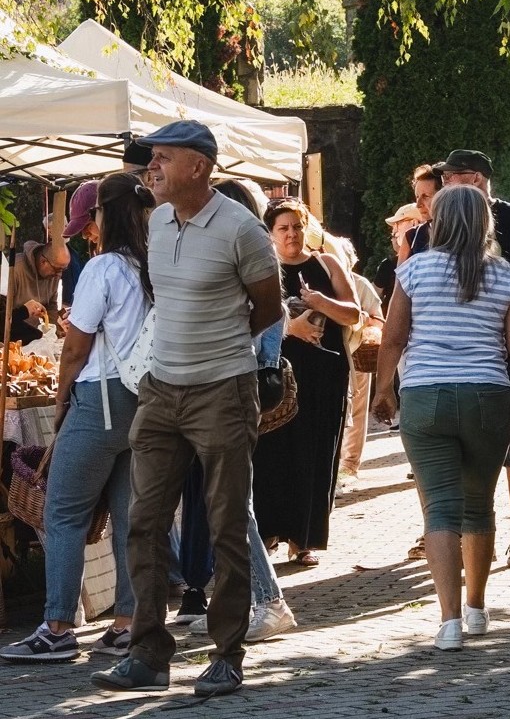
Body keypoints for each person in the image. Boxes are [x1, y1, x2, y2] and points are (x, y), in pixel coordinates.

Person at [92, 120, 282, 698]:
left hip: (222, 390)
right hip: (161, 390)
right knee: (144, 522)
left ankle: (227, 655)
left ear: (198, 167)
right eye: (151, 158)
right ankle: (148, 655)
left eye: (162, 158)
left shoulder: (242, 229)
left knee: (226, 524)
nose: (150, 168)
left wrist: (219, 347)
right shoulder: (156, 220)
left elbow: (269, 308)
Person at [371, 184, 510, 651]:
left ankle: (448, 622)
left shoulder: (414, 271)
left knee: (440, 508)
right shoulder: (505, 275)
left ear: (438, 223)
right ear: (486, 222)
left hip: (426, 394)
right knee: (479, 505)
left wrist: (384, 390)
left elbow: (394, 337)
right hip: (487, 395)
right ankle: (477, 608)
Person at [0, 173, 153, 663]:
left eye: (91, 221)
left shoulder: (103, 267)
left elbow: (75, 349)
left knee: (61, 512)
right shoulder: (149, 263)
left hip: (100, 396)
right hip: (143, 400)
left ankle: (58, 627)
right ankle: (128, 623)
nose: (88, 231)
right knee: (129, 518)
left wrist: (64, 400)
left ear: (104, 217)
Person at [182, 178, 297, 644]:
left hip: (231, 392)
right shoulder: (245, 261)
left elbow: (255, 335)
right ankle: (240, 602)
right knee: (223, 503)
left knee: (233, 502)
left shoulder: (245, 263)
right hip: (225, 391)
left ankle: (269, 601)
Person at [439, 148, 510, 569]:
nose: (445, 183)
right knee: (456, 449)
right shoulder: (443, 218)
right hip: (460, 351)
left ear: (475, 178)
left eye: (451, 175)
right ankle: (452, 530)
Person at [251, 198, 360, 567]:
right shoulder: (262, 267)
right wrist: (291, 328)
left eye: (297, 226)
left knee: (316, 453)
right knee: (272, 452)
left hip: (324, 375)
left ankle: (304, 539)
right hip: (276, 375)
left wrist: (320, 302)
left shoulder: (326, 263)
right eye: (283, 228)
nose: (292, 234)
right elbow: (249, 320)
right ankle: (269, 533)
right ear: (270, 233)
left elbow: (353, 313)